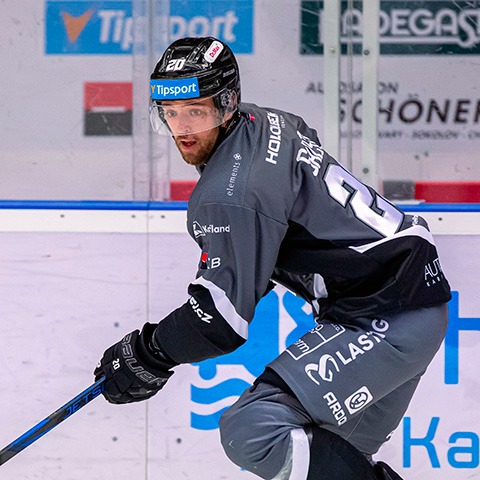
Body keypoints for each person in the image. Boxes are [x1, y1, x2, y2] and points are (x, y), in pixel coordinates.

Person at [94, 36, 451, 480]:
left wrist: (149, 352)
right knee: (329, 461)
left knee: (252, 431)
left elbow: (220, 322)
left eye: (196, 111)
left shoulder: (230, 194)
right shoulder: (267, 121)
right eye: (169, 112)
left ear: (227, 105)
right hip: (406, 300)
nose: (181, 127)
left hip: (384, 316)